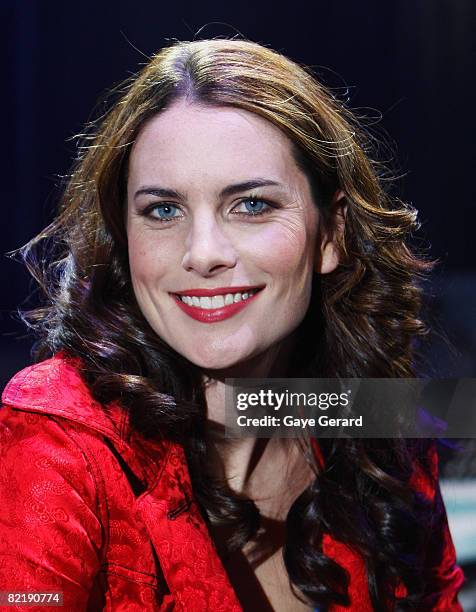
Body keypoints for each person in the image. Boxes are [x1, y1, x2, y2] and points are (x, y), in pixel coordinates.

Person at [0, 38, 465, 611]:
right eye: (163, 210)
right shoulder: (57, 431)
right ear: (124, 239)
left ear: (332, 234)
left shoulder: (378, 419)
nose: (203, 253)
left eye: (250, 205)